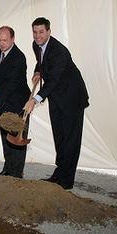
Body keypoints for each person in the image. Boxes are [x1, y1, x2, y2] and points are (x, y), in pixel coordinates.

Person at [24, 17, 89, 189]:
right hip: (55, 97)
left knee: (70, 139)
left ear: (49, 32)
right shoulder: (35, 45)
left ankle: (67, 181)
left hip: (71, 96)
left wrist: (34, 99)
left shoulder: (58, 51)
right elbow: (41, 62)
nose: (37, 36)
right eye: (35, 32)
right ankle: (59, 173)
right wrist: (37, 71)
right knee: (59, 136)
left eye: (41, 32)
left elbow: (53, 80)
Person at [0, 26, 31, 178]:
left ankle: (16, 175)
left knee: (16, 140)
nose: (1, 43)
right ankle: (7, 169)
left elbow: (11, 85)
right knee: (6, 138)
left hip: (18, 103)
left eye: (5, 40)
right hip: (3, 103)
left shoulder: (19, 58)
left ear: (13, 39)